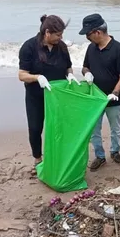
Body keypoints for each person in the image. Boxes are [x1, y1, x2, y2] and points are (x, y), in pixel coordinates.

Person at [18, 14, 79, 166]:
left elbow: (68, 67)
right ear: (47, 33)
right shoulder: (29, 47)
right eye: (58, 34)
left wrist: (70, 75)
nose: (61, 37)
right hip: (36, 96)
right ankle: (38, 159)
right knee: (35, 127)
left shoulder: (62, 47)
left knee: (59, 128)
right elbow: (22, 75)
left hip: (58, 96)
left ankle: (58, 156)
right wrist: (38, 77)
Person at [79, 13, 120, 171]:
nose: (87, 38)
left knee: (115, 127)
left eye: (88, 34)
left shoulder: (119, 50)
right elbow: (85, 66)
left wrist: (115, 92)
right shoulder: (90, 48)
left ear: (97, 32)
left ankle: (115, 151)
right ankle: (99, 155)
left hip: (114, 98)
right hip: (95, 98)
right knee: (94, 129)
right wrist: (86, 73)